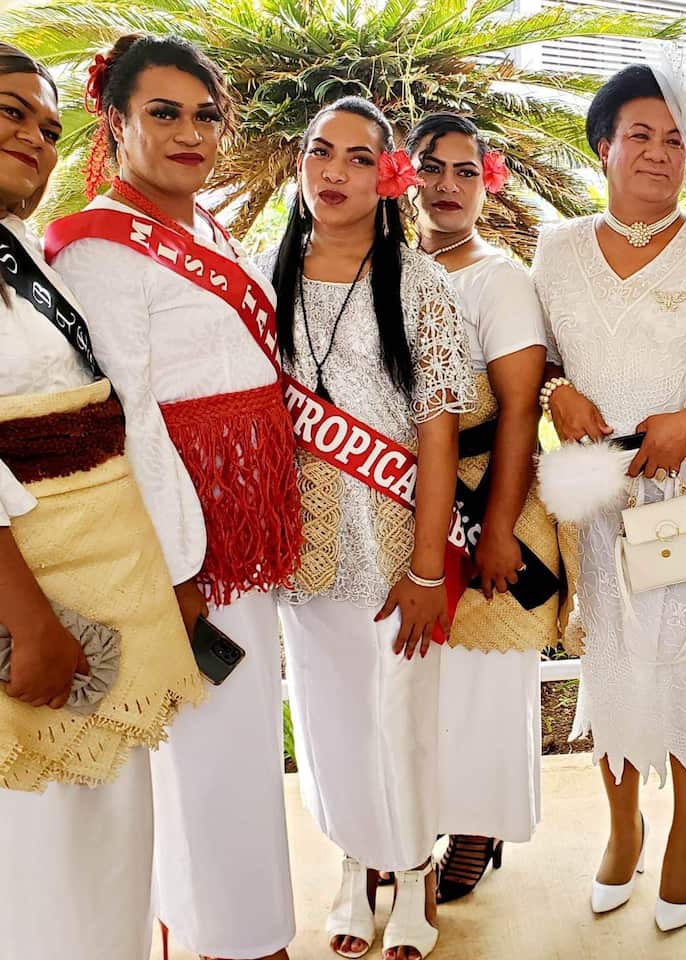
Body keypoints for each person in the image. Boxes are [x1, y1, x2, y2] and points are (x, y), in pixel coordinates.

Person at [45, 34, 301, 960]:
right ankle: (235, 941)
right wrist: (178, 569)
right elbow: (130, 419)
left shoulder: (206, 226)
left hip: (239, 531)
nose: (191, 132)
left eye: (205, 114)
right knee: (212, 757)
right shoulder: (97, 250)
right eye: (164, 112)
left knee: (232, 750)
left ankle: (225, 929)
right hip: (188, 542)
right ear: (113, 123)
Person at [530, 46, 686, 932]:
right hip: (600, 490)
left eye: (674, 138)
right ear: (603, 147)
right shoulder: (553, 251)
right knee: (614, 657)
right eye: (640, 135)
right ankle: (623, 827)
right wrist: (559, 390)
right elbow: (542, 358)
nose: (659, 153)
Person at [0, 42, 204, 957]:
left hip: (106, 584)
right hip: (33, 596)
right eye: (10, 113)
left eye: (47, 127)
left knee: (111, 834)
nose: (36, 141)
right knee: (38, 846)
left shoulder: (20, 251)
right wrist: (28, 622)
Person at [262, 96, 475, 960]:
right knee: (331, 717)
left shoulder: (416, 284)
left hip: (393, 544)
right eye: (321, 152)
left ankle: (416, 874)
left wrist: (429, 570)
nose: (335, 172)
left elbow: (438, 431)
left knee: (402, 715)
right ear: (301, 165)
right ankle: (356, 867)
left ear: (387, 177)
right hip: (307, 550)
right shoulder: (261, 274)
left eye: (357, 157)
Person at [406, 112, 556, 902]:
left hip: (490, 494)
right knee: (427, 676)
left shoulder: (497, 276)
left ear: (486, 182)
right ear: (406, 174)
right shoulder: (390, 266)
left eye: (466, 171)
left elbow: (521, 408)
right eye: (432, 167)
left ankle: (479, 827)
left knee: (485, 676)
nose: (448, 185)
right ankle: (420, 818)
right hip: (413, 498)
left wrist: (496, 528)